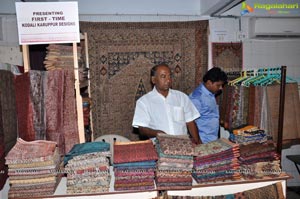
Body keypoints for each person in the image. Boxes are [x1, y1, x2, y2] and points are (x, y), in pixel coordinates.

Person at [132, 63, 202, 144]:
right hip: (158, 147)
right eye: (163, 76)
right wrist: (158, 133)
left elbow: (190, 122)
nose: (168, 80)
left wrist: (198, 143)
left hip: (183, 146)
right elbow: (142, 129)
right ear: (153, 80)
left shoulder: (181, 97)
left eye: (169, 76)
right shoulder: (144, 102)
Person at [189, 67, 228, 144]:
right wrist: (198, 142)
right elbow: (190, 122)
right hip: (203, 141)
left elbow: (208, 114)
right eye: (218, 85)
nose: (221, 88)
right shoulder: (197, 98)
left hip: (212, 138)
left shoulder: (210, 93)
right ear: (209, 83)